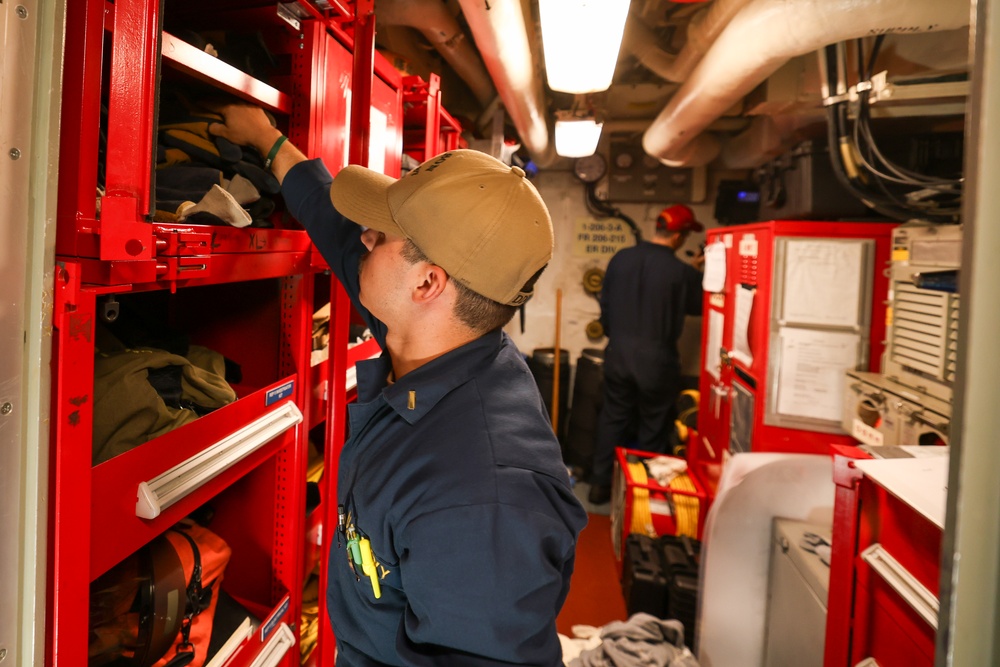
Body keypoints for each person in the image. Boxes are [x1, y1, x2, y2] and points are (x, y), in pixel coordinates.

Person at [207, 104, 588, 666]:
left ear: (429, 282)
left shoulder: (484, 499)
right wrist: (269, 144)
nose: (362, 239)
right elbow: (336, 228)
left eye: (379, 234)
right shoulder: (435, 336)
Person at [587, 205, 704, 505]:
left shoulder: (621, 258)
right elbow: (697, 306)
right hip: (657, 359)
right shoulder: (679, 272)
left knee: (613, 417)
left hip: (619, 353)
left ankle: (599, 487)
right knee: (653, 423)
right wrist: (693, 272)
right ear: (678, 237)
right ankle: (641, 490)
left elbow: (606, 304)